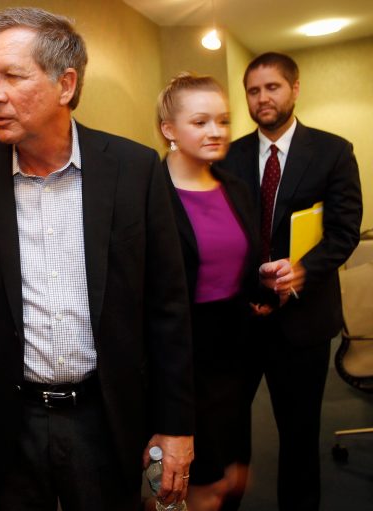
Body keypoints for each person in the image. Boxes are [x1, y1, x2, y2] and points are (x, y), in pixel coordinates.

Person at [0, 7, 195, 511]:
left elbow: (168, 306)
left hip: (105, 418)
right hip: (7, 422)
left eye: (12, 77)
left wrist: (175, 425)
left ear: (65, 85)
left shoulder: (134, 170)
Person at [223, 52, 362, 511]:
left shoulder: (332, 151)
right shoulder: (228, 154)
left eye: (272, 87)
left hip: (302, 322)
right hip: (238, 321)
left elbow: (344, 231)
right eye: (253, 90)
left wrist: (302, 270)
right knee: (227, 432)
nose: (262, 98)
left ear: (295, 89)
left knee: (299, 437)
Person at [156, 73, 292, 511]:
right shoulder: (148, 194)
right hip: (181, 358)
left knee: (235, 476)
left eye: (222, 120)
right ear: (169, 129)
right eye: (200, 122)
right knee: (200, 487)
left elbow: (236, 266)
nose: (216, 131)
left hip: (235, 352)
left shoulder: (234, 187)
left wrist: (266, 282)